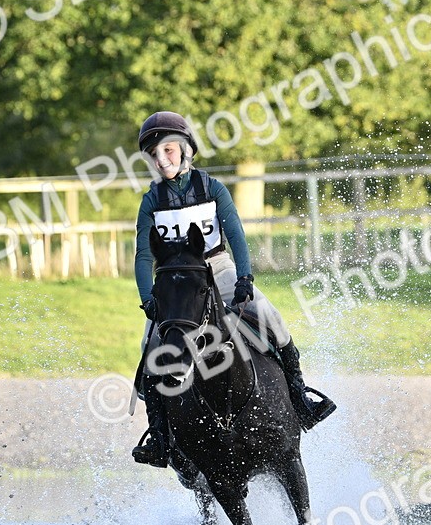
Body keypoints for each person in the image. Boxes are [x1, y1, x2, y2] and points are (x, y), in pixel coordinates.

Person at [131, 111, 336, 467]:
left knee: (272, 319)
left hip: (217, 266)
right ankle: (160, 439)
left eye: (168, 150)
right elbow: (144, 253)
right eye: (154, 154)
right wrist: (146, 297)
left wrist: (244, 277)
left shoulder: (212, 188)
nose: (162, 159)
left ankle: (301, 399)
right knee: (149, 350)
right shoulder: (151, 200)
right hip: (176, 281)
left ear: (184, 149)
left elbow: (237, 234)